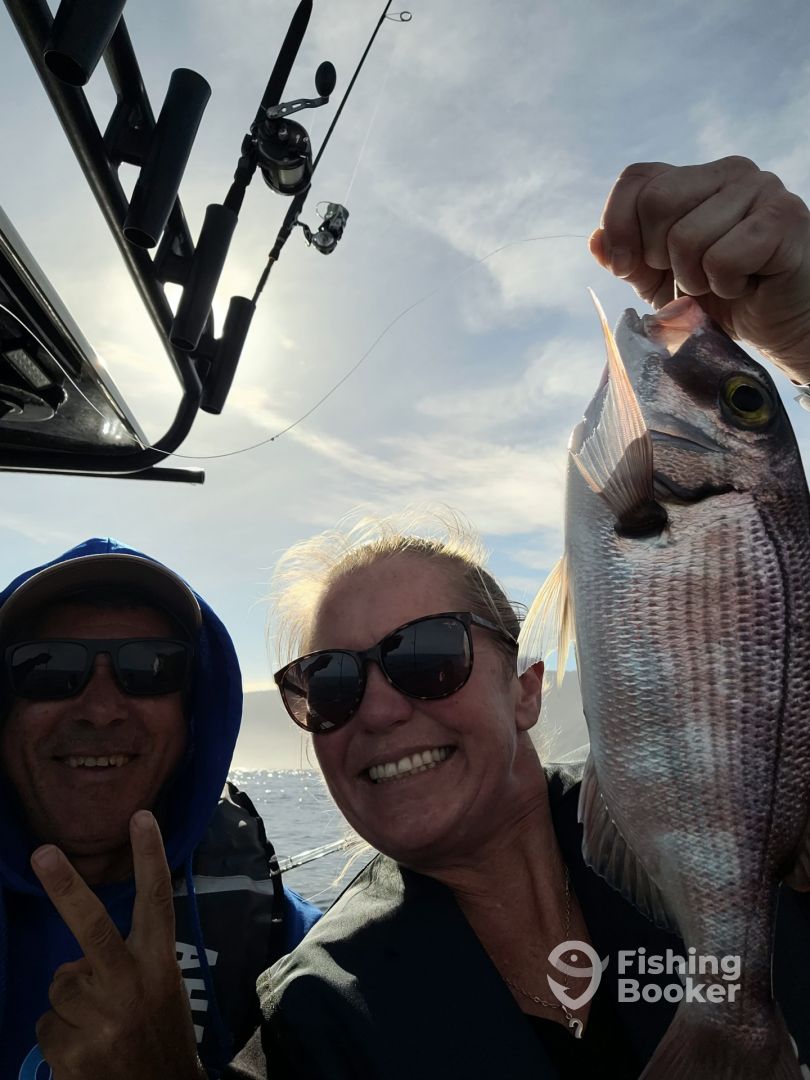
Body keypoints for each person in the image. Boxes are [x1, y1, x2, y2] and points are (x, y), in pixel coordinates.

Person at [22, 156, 810, 1080]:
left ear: (526, 689)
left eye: (428, 656)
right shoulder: (315, 1014)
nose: (381, 708)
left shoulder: (761, 832)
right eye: (329, 683)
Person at [0, 537, 321, 1080]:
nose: (101, 709)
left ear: (193, 722)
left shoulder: (298, 952)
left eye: (151, 668)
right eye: (48, 666)